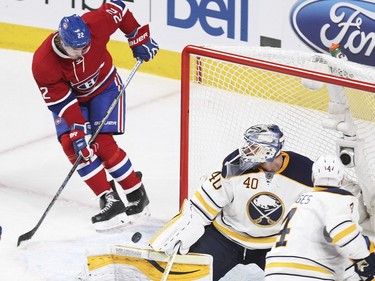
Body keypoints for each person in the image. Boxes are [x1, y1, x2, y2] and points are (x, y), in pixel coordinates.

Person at [31, 0, 159, 231]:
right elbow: (63, 101)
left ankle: (136, 194)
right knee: (74, 144)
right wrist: (78, 128)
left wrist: (137, 38)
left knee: (101, 142)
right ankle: (110, 199)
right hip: (74, 100)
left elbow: (119, 8)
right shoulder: (43, 63)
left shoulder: (95, 23)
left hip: (105, 88)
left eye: (86, 46)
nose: (84, 51)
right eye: (78, 49)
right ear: (62, 40)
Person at [150, 124, 316, 280]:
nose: (246, 149)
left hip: (273, 244)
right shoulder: (234, 166)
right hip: (225, 238)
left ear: (269, 151)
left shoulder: (305, 173)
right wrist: (186, 227)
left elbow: (321, 210)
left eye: (253, 147)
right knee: (188, 277)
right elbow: (201, 206)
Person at [264, 154, 375, 281]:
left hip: (274, 271)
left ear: (313, 177)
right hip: (309, 272)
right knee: (363, 244)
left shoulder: (299, 202)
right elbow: (343, 232)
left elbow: (338, 251)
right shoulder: (340, 199)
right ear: (341, 180)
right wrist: (366, 262)